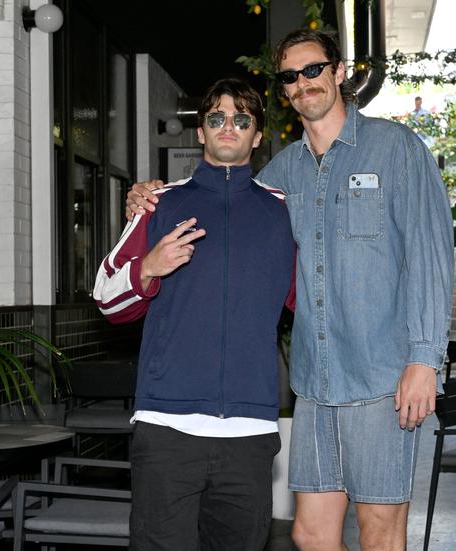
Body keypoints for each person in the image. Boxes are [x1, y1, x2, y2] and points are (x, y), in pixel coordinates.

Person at [125, 29, 453, 551]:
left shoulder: (397, 149)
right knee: (309, 534)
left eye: (313, 69)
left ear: (339, 72)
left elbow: (431, 258)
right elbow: (229, 207)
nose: (303, 83)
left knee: (380, 533)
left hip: (381, 380)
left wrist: (425, 360)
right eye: (290, 77)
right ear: (283, 91)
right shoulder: (279, 178)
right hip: (315, 387)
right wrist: (146, 197)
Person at [93, 77, 295, 551]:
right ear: (201, 132)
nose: (229, 127)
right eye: (217, 118)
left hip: (251, 429)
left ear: (258, 136)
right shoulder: (160, 204)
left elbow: (313, 301)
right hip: (167, 427)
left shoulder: (282, 213)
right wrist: (149, 268)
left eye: (242, 119)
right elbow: (106, 297)